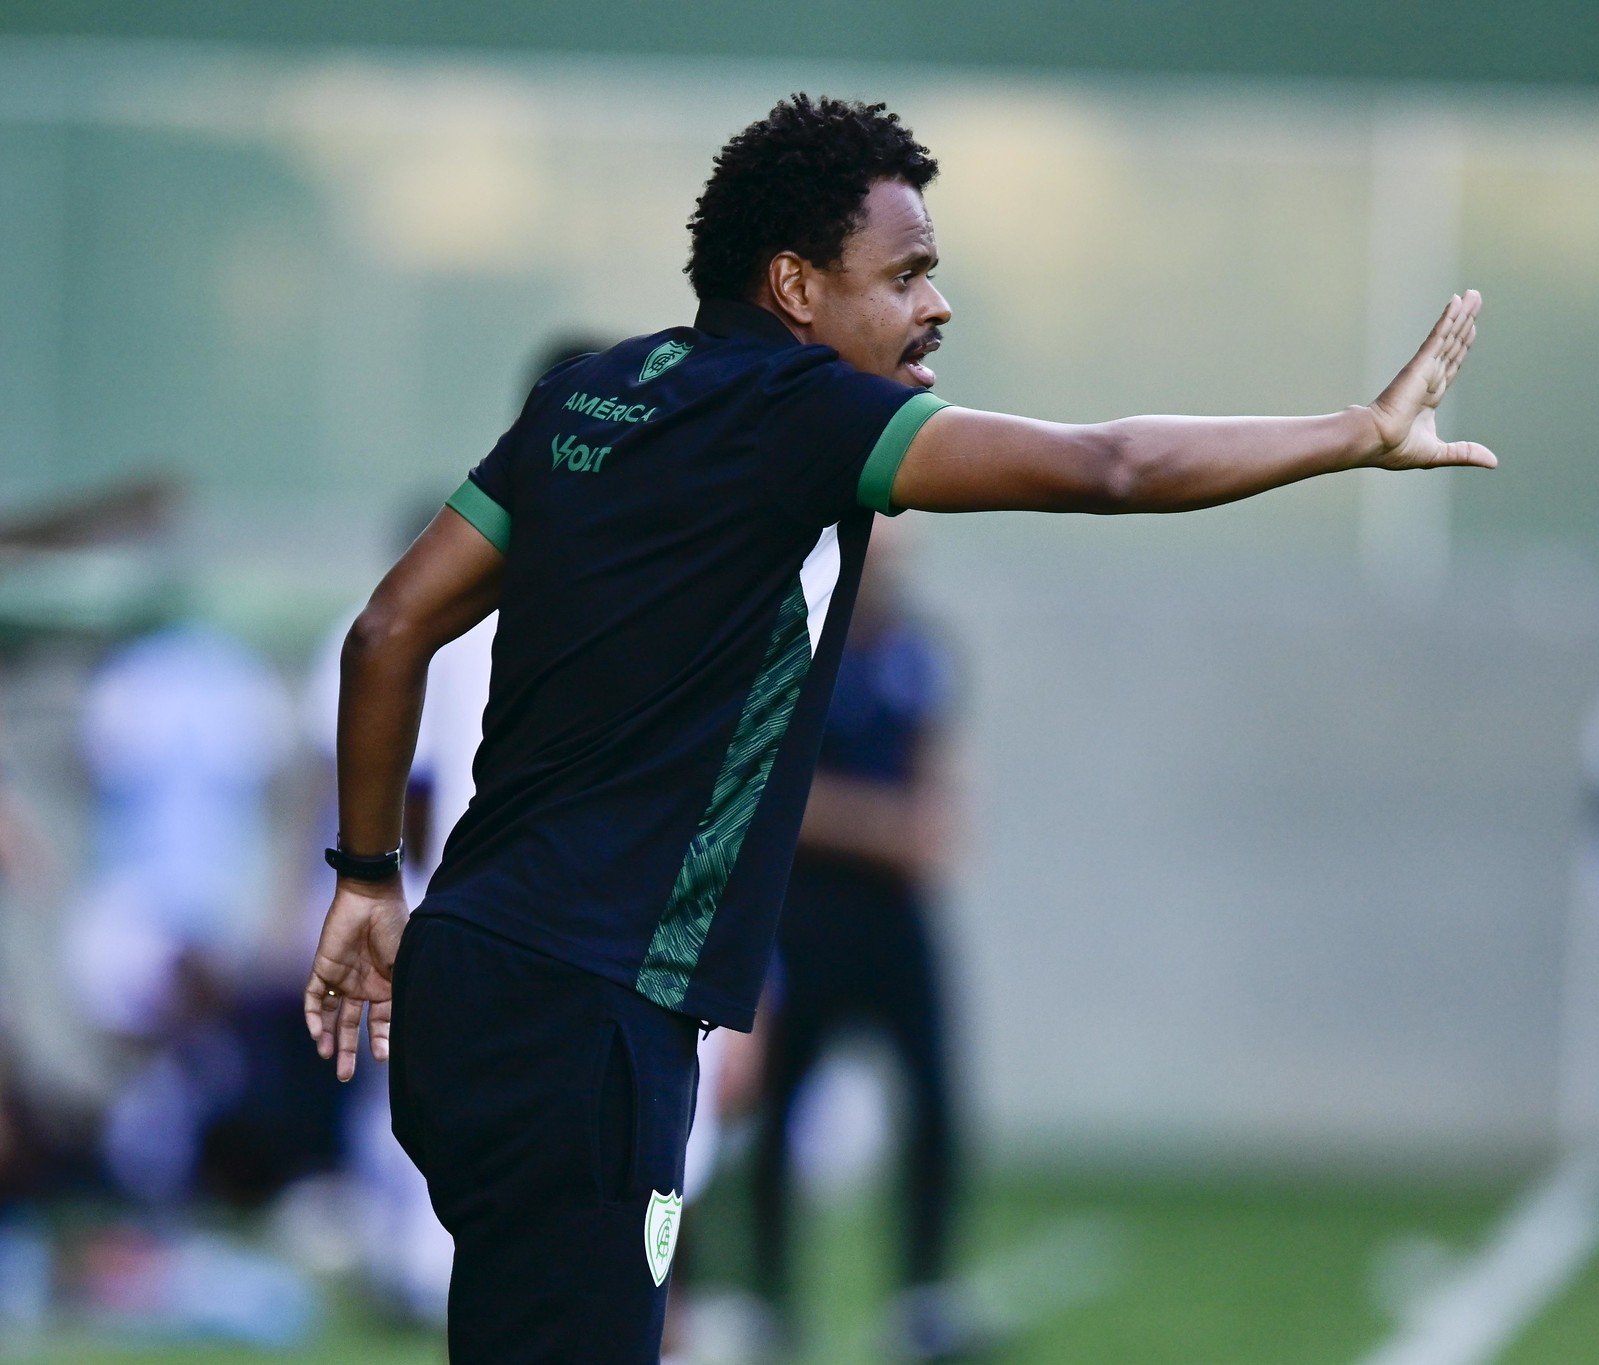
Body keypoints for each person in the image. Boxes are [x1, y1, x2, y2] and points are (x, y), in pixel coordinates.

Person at [304, 93, 1493, 1365]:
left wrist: (370, 880)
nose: (935, 305)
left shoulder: (585, 394)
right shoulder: (804, 416)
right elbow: (1110, 468)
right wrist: (1356, 435)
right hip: (593, 1006)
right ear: (795, 287)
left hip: (467, 970)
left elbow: (387, 633)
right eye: (908, 273)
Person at [749, 520, 981, 1362]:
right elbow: (780, 794)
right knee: (779, 1110)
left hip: (895, 916)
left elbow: (943, 777)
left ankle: (924, 1296)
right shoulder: (801, 645)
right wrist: (891, 827)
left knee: (936, 1102)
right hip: (804, 910)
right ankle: (770, 1301)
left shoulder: (922, 650)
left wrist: (935, 820)